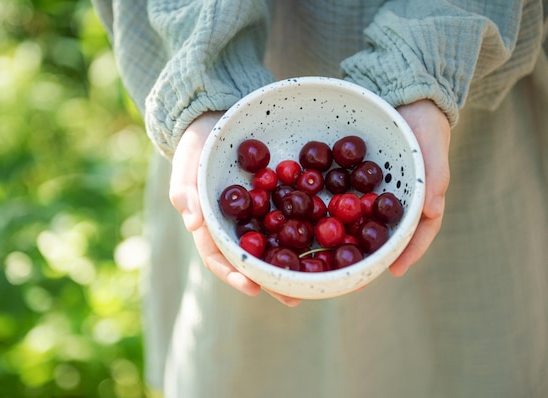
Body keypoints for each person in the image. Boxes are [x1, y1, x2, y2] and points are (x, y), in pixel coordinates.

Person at [92, 0, 548, 397]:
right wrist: (202, 84)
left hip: (457, 103)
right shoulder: (278, 197)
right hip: (229, 93)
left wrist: (429, 66)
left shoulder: (321, 198)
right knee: (252, 351)